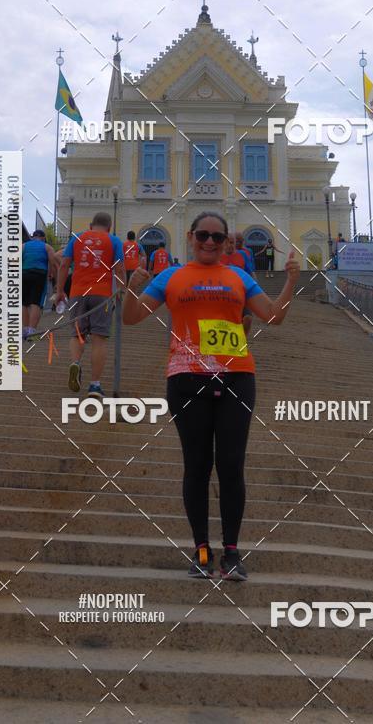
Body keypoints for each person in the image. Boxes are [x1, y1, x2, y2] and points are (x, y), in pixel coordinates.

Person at [123, 211, 299, 581]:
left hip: (237, 377)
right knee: (198, 466)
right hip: (187, 379)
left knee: (232, 465)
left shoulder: (239, 276)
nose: (209, 242)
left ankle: (232, 552)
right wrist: (130, 287)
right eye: (203, 235)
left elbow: (273, 316)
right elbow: (133, 317)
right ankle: (201, 551)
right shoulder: (172, 276)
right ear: (190, 236)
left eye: (217, 238)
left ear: (225, 243)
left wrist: (291, 282)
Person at [56, 212, 124, 397]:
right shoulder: (114, 241)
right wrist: (122, 290)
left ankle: (76, 363)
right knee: (99, 338)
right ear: (109, 227)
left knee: (77, 334)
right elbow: (119, 268)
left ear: (90, 224)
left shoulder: (77, 238)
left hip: (78, 292)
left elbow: (64, 265)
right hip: (102, 294)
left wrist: (60, 290)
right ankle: (94, 385)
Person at [22, 230, 58, 337]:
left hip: (24, 274)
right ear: (43, 238)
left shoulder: (23, 246)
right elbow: (53, 263)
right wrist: (54, 278)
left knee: (23, 303)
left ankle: (24, 329)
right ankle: (32, 331)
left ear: (33, 237)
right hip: (39, 274)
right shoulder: (47, 247)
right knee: (35, 303)